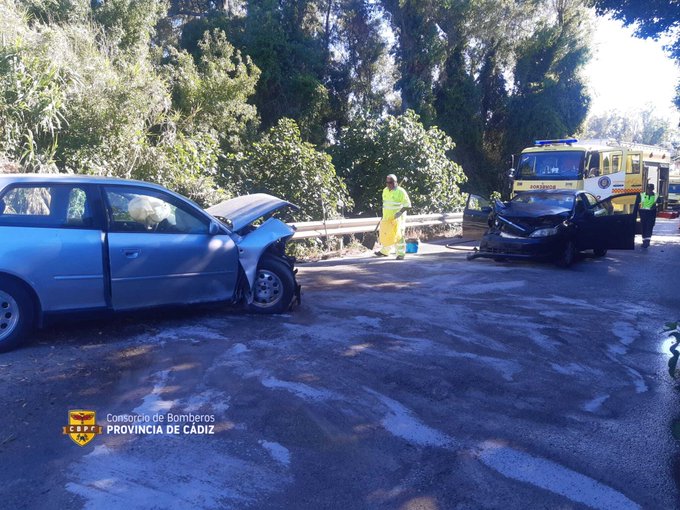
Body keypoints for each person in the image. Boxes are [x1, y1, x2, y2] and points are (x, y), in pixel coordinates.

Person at [376, 174, 411, 260]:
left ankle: (400, 254)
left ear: (395, 182)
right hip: (387, 218)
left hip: (397, 219)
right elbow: (386, 204)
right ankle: (385, 251)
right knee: (386, 234)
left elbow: (408, 205)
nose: (388, 184)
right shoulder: (385, 191)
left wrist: (399, 213)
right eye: (387, 182)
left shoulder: (401, 191)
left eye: (390, 182)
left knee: (398, 236)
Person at [639, 183, 658, 248]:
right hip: (643, 214)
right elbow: (639, 204)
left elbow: (658, 203)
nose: (649, 190)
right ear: (646, 189)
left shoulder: (656, 195)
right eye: (648, 189)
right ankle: (644, 241)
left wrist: (654, 207)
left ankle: (647, 242)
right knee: (644, 228)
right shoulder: (642, 195)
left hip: (651, 214)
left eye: (651, 189)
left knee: (649, 228)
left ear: (653, 189)